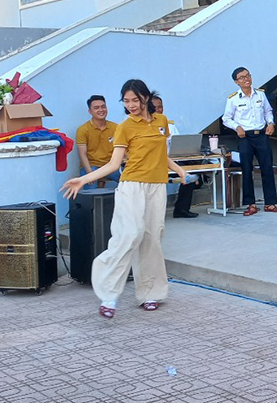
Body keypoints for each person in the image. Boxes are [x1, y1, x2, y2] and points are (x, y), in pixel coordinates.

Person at [61, 79, 187, 319]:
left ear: (146, 98)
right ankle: (108, 294)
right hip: (132, 186)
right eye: (126, 101)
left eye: (135, 100)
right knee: (129, 235)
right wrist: (83, 180)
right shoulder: (125, 127)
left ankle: (150, 292)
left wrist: (179, 170)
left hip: (157, 186)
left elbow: (162, 155)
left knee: (152, 237)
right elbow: (113, 164)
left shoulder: (162, 122)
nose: (131, 105)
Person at [222, 67, 277, 216]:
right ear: (236, 82)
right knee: (247, 170)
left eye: (248, 76)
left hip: (261, 135)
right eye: (242, 77)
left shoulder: (260, 94)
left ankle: (270, 203)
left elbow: (268, 111)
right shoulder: (233, 99)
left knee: (267, 168)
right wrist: (237, 127)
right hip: (245, 138)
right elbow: (226, 119)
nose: (246, 79)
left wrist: (271, 123)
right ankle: (251, 204)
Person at [150, 95, 200, 219]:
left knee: (188, 175)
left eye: (160, 107)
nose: (158, 110)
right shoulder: (145, 126)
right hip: (152, 164)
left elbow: (178, 145)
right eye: (154, 107)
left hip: (170, 162)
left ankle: (181, 210)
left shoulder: (169, 125)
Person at [75, 95, 119, 188]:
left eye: (103, 107)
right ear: (90, 111)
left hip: (111, 165)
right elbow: (82, 154)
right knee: (90, 193)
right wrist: (90, 173)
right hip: (91, 166)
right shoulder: (83, 130)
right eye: (96, 108)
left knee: (129, 179)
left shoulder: (116, 127)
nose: (101, 110)